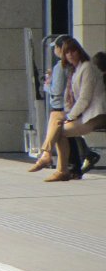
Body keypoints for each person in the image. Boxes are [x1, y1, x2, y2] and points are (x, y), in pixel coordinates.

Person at [37, 39, 106, 182]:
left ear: (79, 51)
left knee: (60, 131)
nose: (70, 55)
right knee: (55, 116)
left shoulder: (87, 68)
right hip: (85, 112)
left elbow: (84, 99)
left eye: (73, 51)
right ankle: (49, 157)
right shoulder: (75, 70)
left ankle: (56, 164)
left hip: (95, 114)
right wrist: (67, 115)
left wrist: (69, 116)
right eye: (67, 52)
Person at [28, 35, 83, 175]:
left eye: (56, 48)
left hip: (60, 106)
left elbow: (56, 90)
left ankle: (47, 155)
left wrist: (47, 85)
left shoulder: (60, 66)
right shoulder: (75, 65)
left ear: (60, 49)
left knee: (59, 131)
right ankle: (69, 166)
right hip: (73, 106)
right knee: (64, 135)